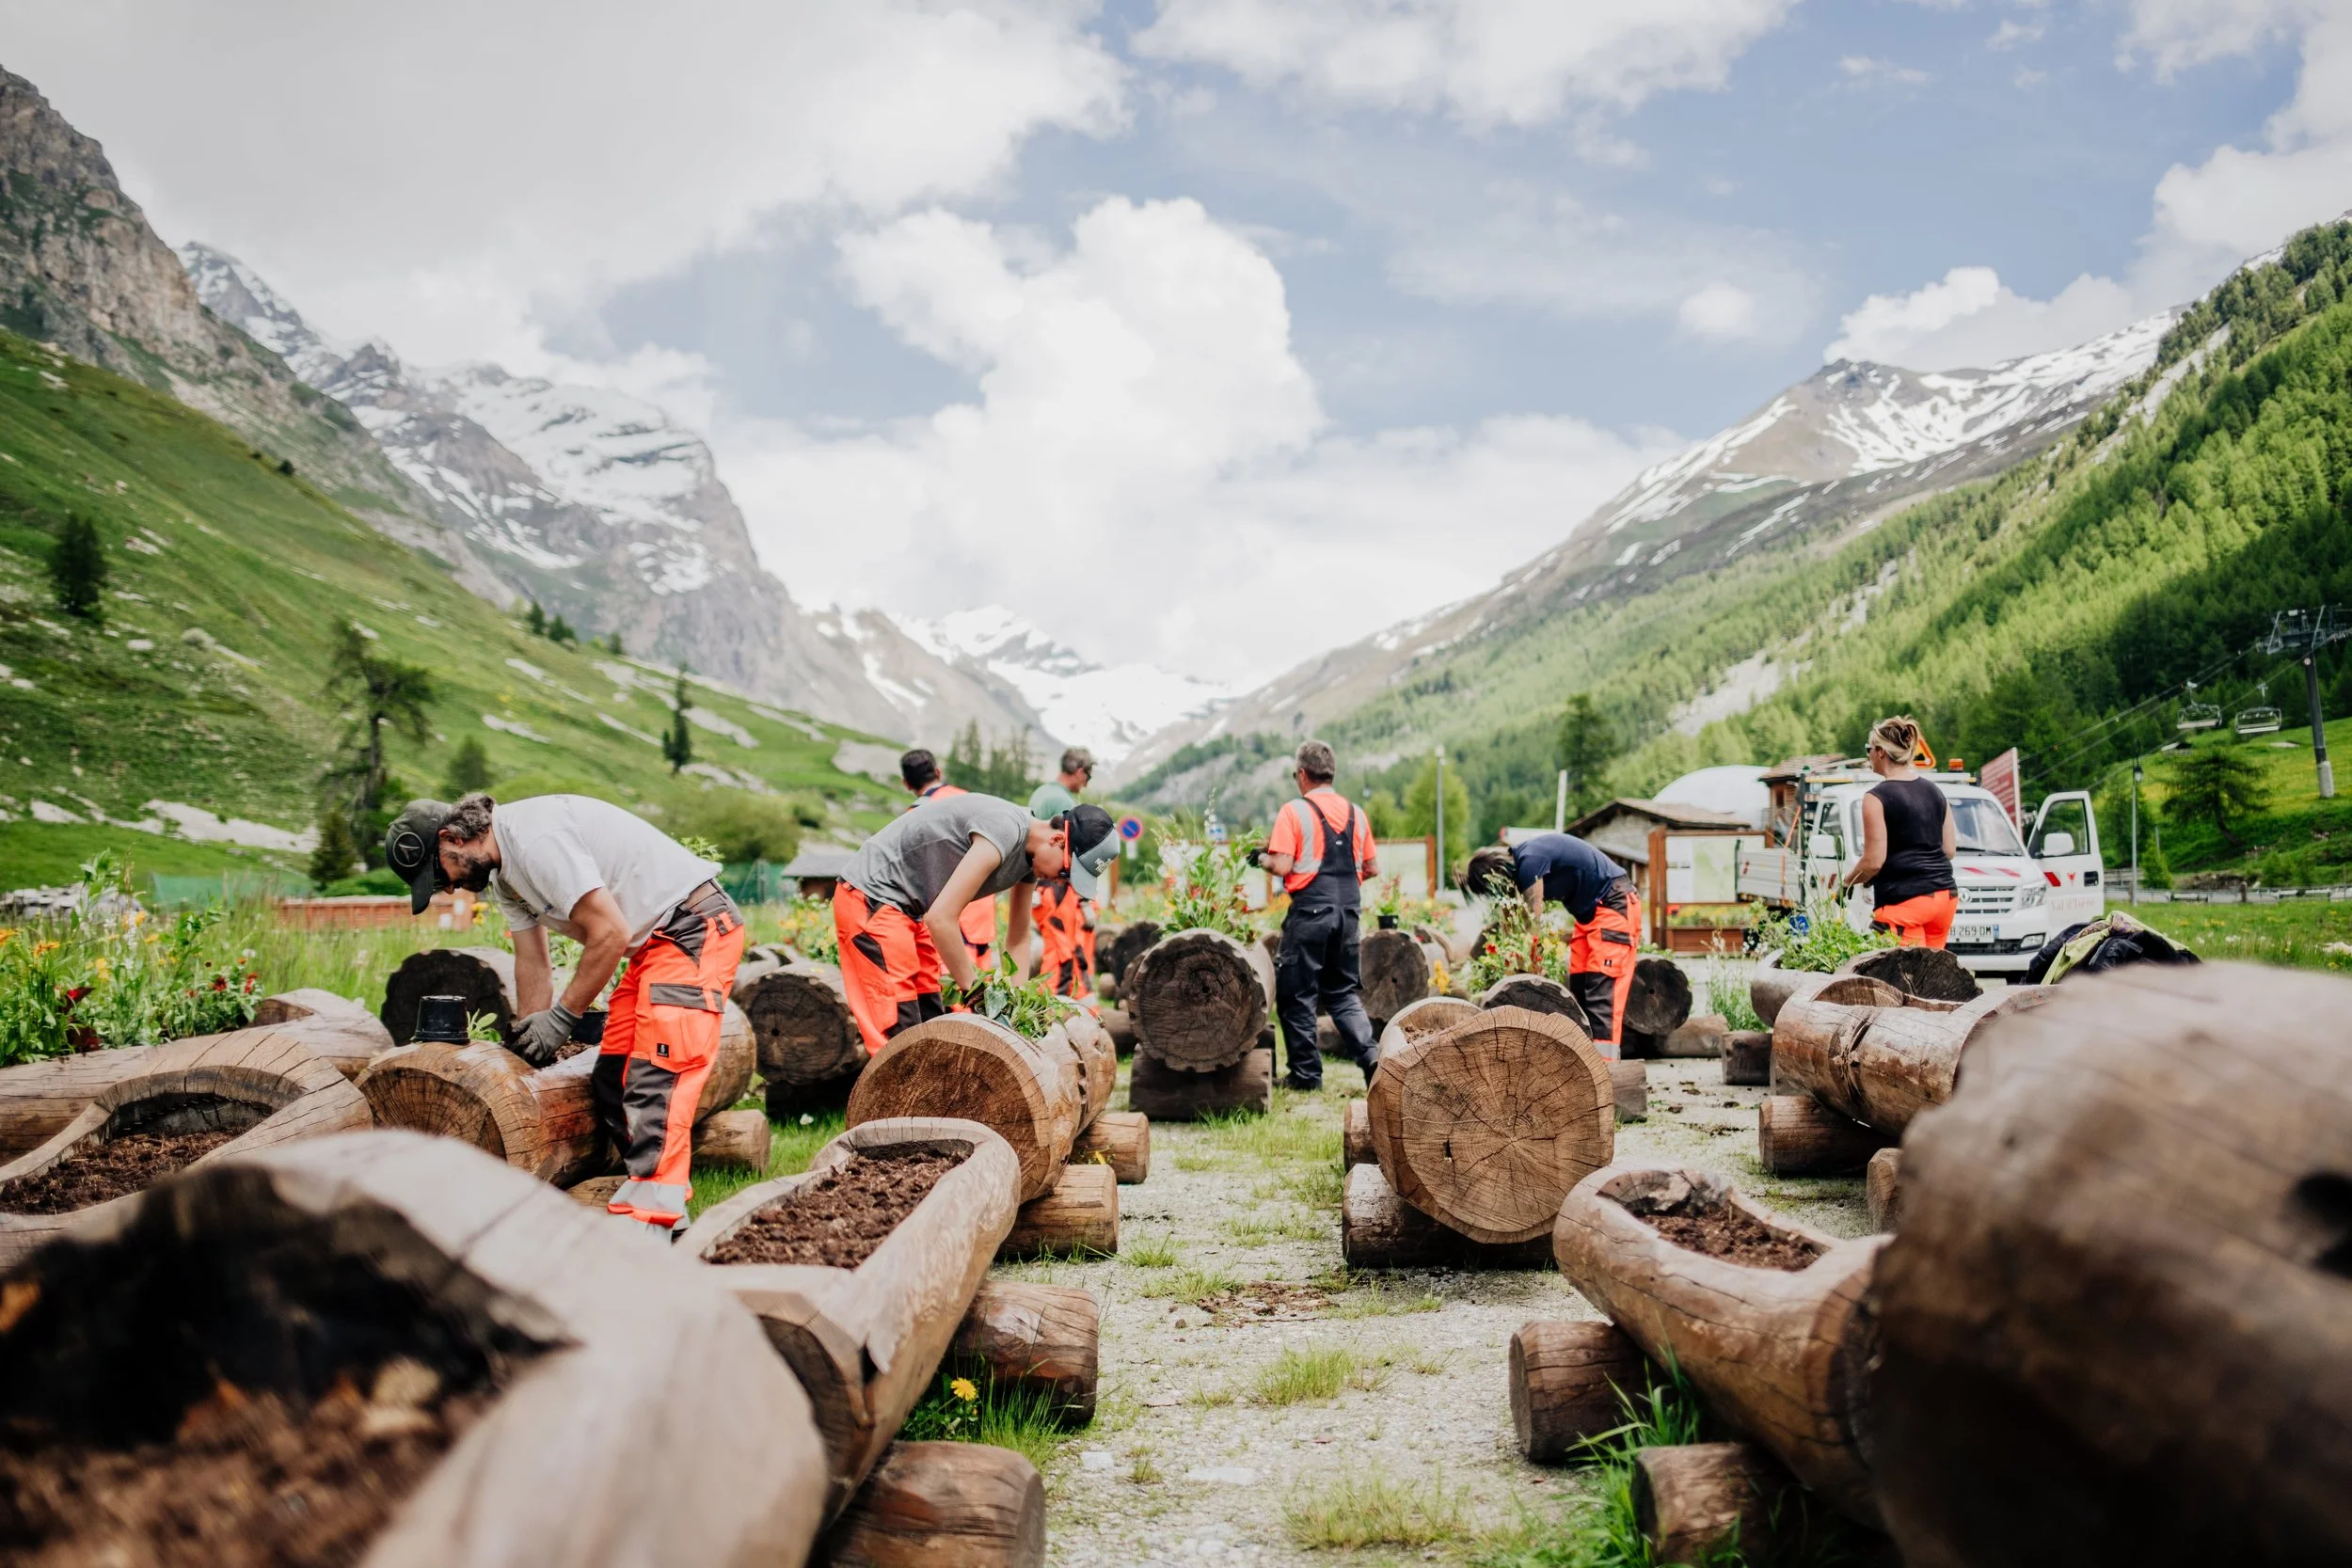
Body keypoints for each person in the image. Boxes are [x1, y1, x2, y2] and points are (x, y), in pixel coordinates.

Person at [386, 793, 743, 1236]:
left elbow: (609, 932)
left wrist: (563, 1018)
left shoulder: (534, 839)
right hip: (651, 945)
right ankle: (671, 1218)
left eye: (441, 873)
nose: (451, 887)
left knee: (657, 1075)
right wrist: (530, 1045)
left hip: (691, 928)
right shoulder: (504, 879)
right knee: (613, 1075)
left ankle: (650, 1232)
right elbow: (532, 962)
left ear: (449, 838)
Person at [834, 791, 1120, 1056]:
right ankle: (894, 1106)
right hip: (874, 897)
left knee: (930, 1015)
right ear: (1057, 841)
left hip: (912, 910)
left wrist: (1014, 1005)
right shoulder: (1005, 829)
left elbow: (1018, 938)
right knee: (898, 1025)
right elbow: (942, 918)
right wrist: (975, 992)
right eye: (1066, 873)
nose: (1061, 882)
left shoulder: (1031, 862)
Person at [1256, 740, 1379, 1091]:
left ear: (1303, 774)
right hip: (1349, 913)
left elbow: (1282, 864)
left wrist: (1261, 858)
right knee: (1342, 992)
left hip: (1310, 912)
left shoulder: (1294, 811)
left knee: (1297, 995)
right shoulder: (1356, 813)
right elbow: (1371, 867)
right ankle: (1371, 1058)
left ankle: (1306, 1077)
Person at [1462, 829, 1639, 1055]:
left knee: (1601, 992)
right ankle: (1585, 1065)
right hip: (1589, 916)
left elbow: (1532, 923)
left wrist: (1531, 963)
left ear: (1497, 874)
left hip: (1613, 904)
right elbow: (1514, 920)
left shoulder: (1529, 862)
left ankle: (1607, 1073)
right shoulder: (1524, 864)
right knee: (1580, 988)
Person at [1840, 714, 1959, 948]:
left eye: (1869, 749)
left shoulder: (1876, 798)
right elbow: (1949, 849)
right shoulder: (1935, 791)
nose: (1868, 756)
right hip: (1945, 898)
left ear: (1881, 752)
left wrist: (1846, 883)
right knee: (1931, 978)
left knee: (1897, 981)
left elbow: (1873, 861)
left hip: (1905, 903)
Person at [899, 747, 1000, 967]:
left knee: (954, 992)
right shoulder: (970, 799)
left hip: (950, 916)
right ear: (938, 771)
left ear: (905, 783)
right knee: (981, 991)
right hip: (981, 910)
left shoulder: (915, 814)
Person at [1026, 748, 1100, 1004]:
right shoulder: (1065, 803)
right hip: (1058, 886)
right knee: (1065, 952)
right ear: (1079, 772)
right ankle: (1057, 1011)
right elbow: (1073, 854)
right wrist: (1083, 900)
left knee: (1055, 950)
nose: (1087, 782)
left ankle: (1053, 1007)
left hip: (1041, 884)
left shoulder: (1042, 793)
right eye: (1088, 776)